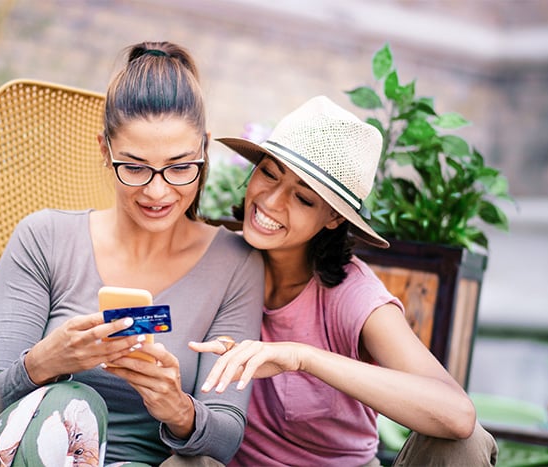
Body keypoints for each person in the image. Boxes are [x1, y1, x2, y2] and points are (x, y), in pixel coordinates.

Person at [0, 41, 264, 467]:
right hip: (23, 457)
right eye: (135, 168)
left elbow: (226, 439)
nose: (158, 192)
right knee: (68, 399)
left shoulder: (235, 263)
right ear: (105, 151)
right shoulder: (45, 238)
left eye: (179, 167)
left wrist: (178, 408)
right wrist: (43, 363)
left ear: (204, 151)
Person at [190, 96, 498, 466]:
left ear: (334, 218)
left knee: (464, 442)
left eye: (303, 198)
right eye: (269, 173)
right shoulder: (219, 257)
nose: (271, 201)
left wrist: (303, 359)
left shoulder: (354, 296)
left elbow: (458, 414)